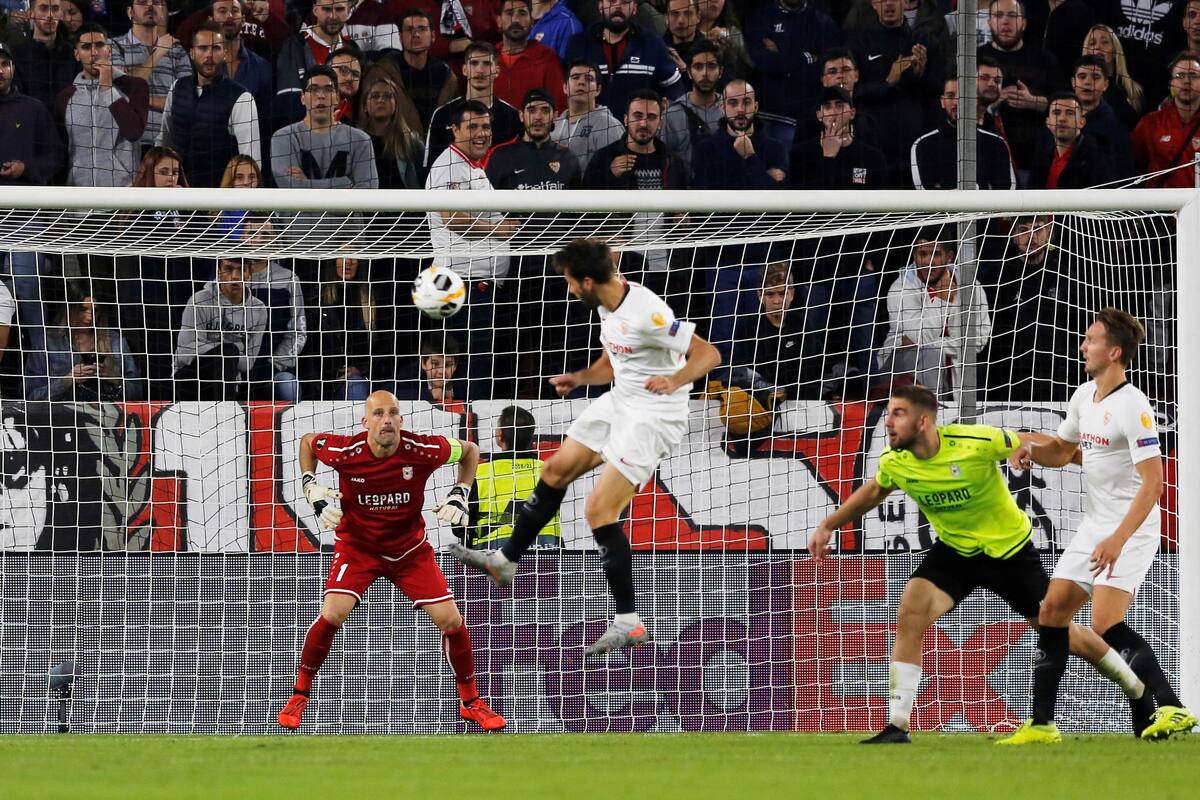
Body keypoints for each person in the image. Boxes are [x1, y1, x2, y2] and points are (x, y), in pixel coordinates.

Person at [809, 384, 1150, 744]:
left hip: (1008, 553)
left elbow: (1026, 439)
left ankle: (1137, 688)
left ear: (923, 421)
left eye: (898, 413)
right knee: (911, 611)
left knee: (1062, 633)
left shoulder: (972, 441)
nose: (888, 422)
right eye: (889, 413)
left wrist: (1087, 465)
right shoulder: (896, 461)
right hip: (956, 551)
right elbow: (876, 490)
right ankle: (897, 725)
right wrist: (829, 524)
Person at [451, 238, 722, 655]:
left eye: (570, 281)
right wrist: (580, 378)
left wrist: (674, 380)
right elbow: (612, 363)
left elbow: (708, 353)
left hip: (654, 415)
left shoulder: (647, 313)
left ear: (590, 280)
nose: (568, 288)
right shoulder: (606, 305)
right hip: (619, 400)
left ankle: (629, 622)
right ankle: (504, 562)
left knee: (598, 509)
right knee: (554, 471)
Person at [997, 309, 1197, 744]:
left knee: (1106, 624)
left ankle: (1172, 707)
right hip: (1094, 525)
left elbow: (1155, 483)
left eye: (1090, 341)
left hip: (1131, 527)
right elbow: (1064, 451)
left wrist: (1117, 539)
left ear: (1115, 352)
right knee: (1051, 612)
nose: (1083, 347)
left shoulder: (1133, 405)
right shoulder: (1084, 395)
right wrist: (1025, 445)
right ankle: (1042, 726)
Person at [277, 389, 506, 732]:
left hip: (409, 551)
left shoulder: (423, 449)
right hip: (358, 548)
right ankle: (299, 695)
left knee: (452, 621)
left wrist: (460, 492)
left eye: (393, 413)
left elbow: (470, 450)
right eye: (379, 414)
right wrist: (311, 486)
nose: (387, 420)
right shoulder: (345, 451)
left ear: (401, 419)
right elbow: (309, 442)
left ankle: (471, 702)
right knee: (333, 613)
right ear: (365, 421)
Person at [426, 99, 519, 399]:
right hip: (462, 284)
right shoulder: (448, 166)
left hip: (478, 284)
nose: (482, 133)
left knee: (482, 362)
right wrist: (499, 229)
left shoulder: (472, 167)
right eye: (473, 126)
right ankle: (470, 427)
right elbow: (451, 217)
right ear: (454, 130)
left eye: (487, 126)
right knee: (473, 364)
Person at [0, 41, 64, 340]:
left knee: (31, 304)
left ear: (13, 68)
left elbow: (55, 157)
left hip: (24, 219)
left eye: (4, 63)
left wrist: (25, 168)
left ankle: (40, 382)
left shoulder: (33, 108)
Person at [877, 229, 991, 398]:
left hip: (955, 376)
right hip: (902, 369)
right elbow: (917, 340)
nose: (928, 262)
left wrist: (934, 345)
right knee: (928, 357)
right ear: (914, 255)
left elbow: (980, 340)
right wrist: (942, 300)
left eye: (935, 254)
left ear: (949, 256)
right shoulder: (901, 288)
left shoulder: (971, 286)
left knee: (933, 353)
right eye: (922, 254)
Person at [848, 0, 944, 188]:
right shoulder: (858, 43)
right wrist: (888, 82)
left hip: (912, 146)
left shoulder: (925, 43)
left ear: (906, 3)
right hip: (870, 143)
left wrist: (919, 76)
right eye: (882, 0)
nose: (889, 4)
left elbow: (939, 93)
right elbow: (852, 94)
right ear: (874, 4)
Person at [158, 22, 261, 188]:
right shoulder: (177, 87)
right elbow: (164, 140)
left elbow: (251, 160)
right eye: (203, 48)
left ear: (226, 53)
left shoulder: (241, 98)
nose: (209, 55)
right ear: (192, 53)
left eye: (216, 48)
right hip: (176, 193)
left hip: (217, 197)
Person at [978, 0, 1064, 183]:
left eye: (1012, 15)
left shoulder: (1045, 59)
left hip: (1037, 160)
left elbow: (1065, 103)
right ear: (989, 22)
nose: (1005, 22)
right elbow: (958, 103)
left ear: (1024, 23)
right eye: (999, 16)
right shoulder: (975, 59)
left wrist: (1033, 101)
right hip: (985, 157)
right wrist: (992, 102)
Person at [55, 23, 149, 188]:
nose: (94, 52)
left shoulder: (135, 86)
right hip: (78, 199)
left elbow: (134, 131)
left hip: (122, 198)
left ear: (109, 49)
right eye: (86, 47)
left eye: (99, 45)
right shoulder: (64, 97)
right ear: (76, 54)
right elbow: (61, 151)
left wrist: (107, 87)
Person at [744, 0, 839, 155]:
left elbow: (824, 70)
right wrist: (807, 58)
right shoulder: (760, 17)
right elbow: (763, 62)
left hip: (807, 119)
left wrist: (781, 56)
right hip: (766, 116)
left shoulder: (823, 23)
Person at [563, 0, 683, 120]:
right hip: (589, 133)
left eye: (625, 2)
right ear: (600, 6)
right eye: (611, 1)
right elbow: (565, 90)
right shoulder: (578, 45)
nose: (618, 6)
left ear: (634, 8)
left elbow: (675, 89)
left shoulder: (652, 44)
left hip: (639, 132)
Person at [24, 285, 143, 402]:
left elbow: (138, 393)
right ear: (70, 309)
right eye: (82, 309)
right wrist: (66, 381)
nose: (89, 317)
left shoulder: (116, 342)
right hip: (62, 418)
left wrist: (116, 379)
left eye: (94, 310)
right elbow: (31, 397)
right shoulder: (47, 344)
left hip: (109, 416)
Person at [173, 257, 268, 402]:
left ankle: (226, 412)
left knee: (235, 359)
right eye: (228, 269)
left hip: (232, 380)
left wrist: (228, 356)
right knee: (228, 352)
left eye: (241, 269)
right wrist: (225, 352)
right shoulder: (199, 300)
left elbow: (248, 364)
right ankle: (226, 412)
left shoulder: (258, 309)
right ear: (218, 271)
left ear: (249, 273)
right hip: (192, 377)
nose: (235, 276)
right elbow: (184, 352)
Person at [467, 404, 561, 550]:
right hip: (545, 559)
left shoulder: (479, 473)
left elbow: (461, 526)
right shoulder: (550, 471)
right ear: (530, 436)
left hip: (492, 560)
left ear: (500, 436)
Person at [271, 65, 378, 191]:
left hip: (347, 212)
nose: (321, 95)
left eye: (328, 89)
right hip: (303, 212)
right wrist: (344, 184)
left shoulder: (361, 140)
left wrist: (307, 184)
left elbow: (367, 194)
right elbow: (291, 189)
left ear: (337, 98)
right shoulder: (284, 137)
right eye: (313, 89)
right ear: (302, 98)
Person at [303, 256, 392, 402]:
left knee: (355, 386)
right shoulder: (316, 299)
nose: (348, 262)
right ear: (333, 262)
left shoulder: (374, 299)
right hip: (322, 382)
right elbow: (309, 347)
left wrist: (362, 369)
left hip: (360, 380)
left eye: (353, 257)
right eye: (342, 257)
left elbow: (386, 345)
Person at [109, 0, 193, 152]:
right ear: (130, 12)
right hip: (127, 145)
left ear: (162, 12)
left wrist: (139, 99)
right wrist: (159, 52)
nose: (150, 6)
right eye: (142, 2)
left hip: (169, 145)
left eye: (157, 2)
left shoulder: (177, 51)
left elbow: (185, 101)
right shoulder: (113, 45)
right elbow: (120, 91)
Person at [424, 41, 522, 170]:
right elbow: (431, 168)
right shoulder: (443, 114)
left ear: (497, 71)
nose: (480, 70)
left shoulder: (512, 116)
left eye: (486, 64)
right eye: (474, 63)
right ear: (464, 69)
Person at [910, 75, 1014, 190]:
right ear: (943, 102)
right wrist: (984, 187)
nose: (956, 102)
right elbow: (927, 193)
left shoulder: (997, 144)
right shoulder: (923, 145)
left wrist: (947, 188)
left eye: (963, 96)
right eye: (950, 96)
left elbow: (1006, 190)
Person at [689, 78, 786, 189]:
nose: (740, 109)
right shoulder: (704, 149)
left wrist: (749, 156)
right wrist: (763, 175)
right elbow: (704, 199)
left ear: (755, 107)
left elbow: (777, 200)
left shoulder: (776, 148)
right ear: (723, 109)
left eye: (746, 102)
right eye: (733, 103)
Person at [791, 85, 889, 190]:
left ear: (852, 113)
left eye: (839, 106)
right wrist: (828, 157)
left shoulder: (872, 156)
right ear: (819, 115)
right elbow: (804, 201)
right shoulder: (801, 154)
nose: (833, 112)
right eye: (827, 107)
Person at [487, 87, 580, 188]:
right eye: (531, 110)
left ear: (555, 116)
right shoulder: (500, 156)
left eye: (545, 110)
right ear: (521, 116)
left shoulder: (568, 158)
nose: (538, 117)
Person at [1131, 53, 1200, 190]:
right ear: (1171, 84)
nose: (1186, 81)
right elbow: (1134, 166)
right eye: (1180, 76)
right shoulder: (1150, 123)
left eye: (1193, 76)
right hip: (1160, 208)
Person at [389, 7, 458, 135]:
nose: (416, 35)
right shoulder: (386, 71)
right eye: (409, 30)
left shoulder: (445, 74)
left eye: (422, 29)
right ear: (400, 38)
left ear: (432, 36)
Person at [356, 64, 425, 188]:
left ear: (396, 105)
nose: (381, 100)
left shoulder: (412, 143)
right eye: (375, 96)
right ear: (365, 106)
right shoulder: (355, 141)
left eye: (388, 96)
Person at [549, 58, 623, 172]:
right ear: (564, 87)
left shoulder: (609, 125)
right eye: (575, 77)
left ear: (598, 90)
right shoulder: (553, 126)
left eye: (588, 78)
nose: (581, 82)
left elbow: (615, 175)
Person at [661, 38, 723, 169]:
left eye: (711, 66)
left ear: (720, 72)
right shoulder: (672, 115)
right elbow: (662, 161)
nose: (705, 73)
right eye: (698, 66)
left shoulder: (733, 109)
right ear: (689, 72)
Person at [1029, 91, 1111, 189]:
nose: (1062, 119)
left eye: (1070, 113)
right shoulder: (1041, 158)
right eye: (1056, 113)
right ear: (1048, 122)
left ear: (1081, 122)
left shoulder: (1098, 158)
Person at [495, 0, 566, 112]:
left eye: (522, 13)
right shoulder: (488, 58)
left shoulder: (547, 58)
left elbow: (559, 107)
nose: (516, 19)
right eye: (509, 13)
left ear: (532, 21)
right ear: (499, 21)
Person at [1071, 54, 1135, 181]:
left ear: (1105, 84)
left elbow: (1124, 177)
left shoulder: (1116, 128)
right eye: (1082, 77)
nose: (1087, 82)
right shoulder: (1060, 117)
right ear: (1073, 82)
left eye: (1095, 77)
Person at [10, 0, 76, 109]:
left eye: (55, 9)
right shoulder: (17, 55)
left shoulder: (73, 53)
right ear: (31, 14)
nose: (50, 15)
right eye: (43, 8)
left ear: (61, 14)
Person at [1081, 23, 1143, 131]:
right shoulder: (1076, 89)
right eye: (1092, 43)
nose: (1098, 47)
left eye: (1105, 42)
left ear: (1115, 50)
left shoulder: (1133, 91)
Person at [329, 45, 363, 123]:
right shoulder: (298, 105)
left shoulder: (351, 126)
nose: (350, 78)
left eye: (355, 74)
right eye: (343, 70)